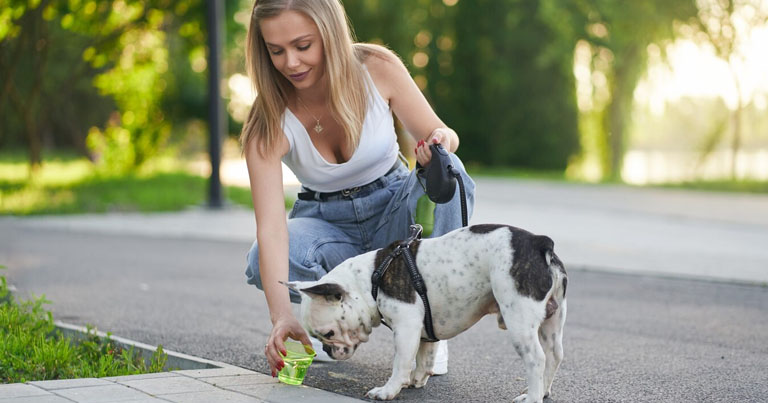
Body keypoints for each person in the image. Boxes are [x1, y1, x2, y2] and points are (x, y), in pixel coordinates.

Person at [241, 0, 475, 378]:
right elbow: (270, 228)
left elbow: (442, 133)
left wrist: (439, 144)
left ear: (329, 33)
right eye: (276, 51)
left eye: (303, 46)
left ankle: (431, 323)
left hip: (395, 210)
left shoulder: (376, 68)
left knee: (455, 173)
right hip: (327, 226)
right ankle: (324, 320)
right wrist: (282, 316)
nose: (291, 63)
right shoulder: (268, 120)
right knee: (261, 257)